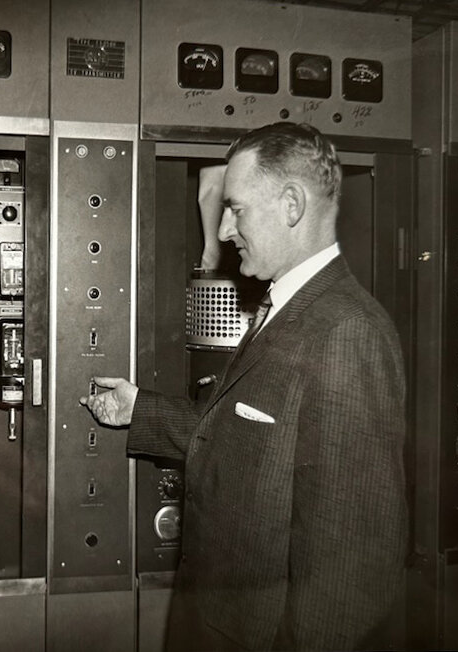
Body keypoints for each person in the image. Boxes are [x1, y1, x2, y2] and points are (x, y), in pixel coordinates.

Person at [80, 122, 408, 651]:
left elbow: (350, 572)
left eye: (236, 209)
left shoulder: (347, 331)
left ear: (291, 205)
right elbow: (246, 442)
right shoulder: (284, 306)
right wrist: (138, 409)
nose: (226, 230)